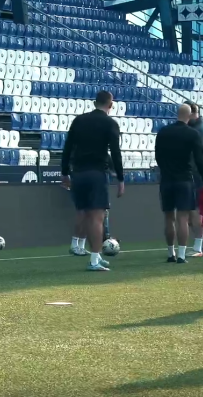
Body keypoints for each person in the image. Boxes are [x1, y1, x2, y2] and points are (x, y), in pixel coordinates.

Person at [61, 90, 124, 272]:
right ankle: (94, 259)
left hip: (78, 173)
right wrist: (121, 178)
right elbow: (115, 152)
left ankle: (95, 256)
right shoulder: (110, 123)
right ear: (110, 105)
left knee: (86, 215)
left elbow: (68, 147)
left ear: (95, 102)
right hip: (97, 173)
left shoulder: (79, 121)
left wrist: (64, 172)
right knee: (97, 217)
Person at [154, 104, 203, 264]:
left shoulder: (163, 132)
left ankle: (170, 253)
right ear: (189, 115)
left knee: (168, 218)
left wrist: (165, 170)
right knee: (183, 218)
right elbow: (200, 160)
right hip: (184, 179)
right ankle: (181, 255)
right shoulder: (192, 134)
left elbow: (157, 155)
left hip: (167, 179)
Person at [185, 102, 203, 257]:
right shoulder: (199, 129)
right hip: (198, 175)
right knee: (193, 211)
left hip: (198, 177)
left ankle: (199, 247)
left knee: (197, 211)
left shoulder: (200, 131)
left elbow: (199, 158)